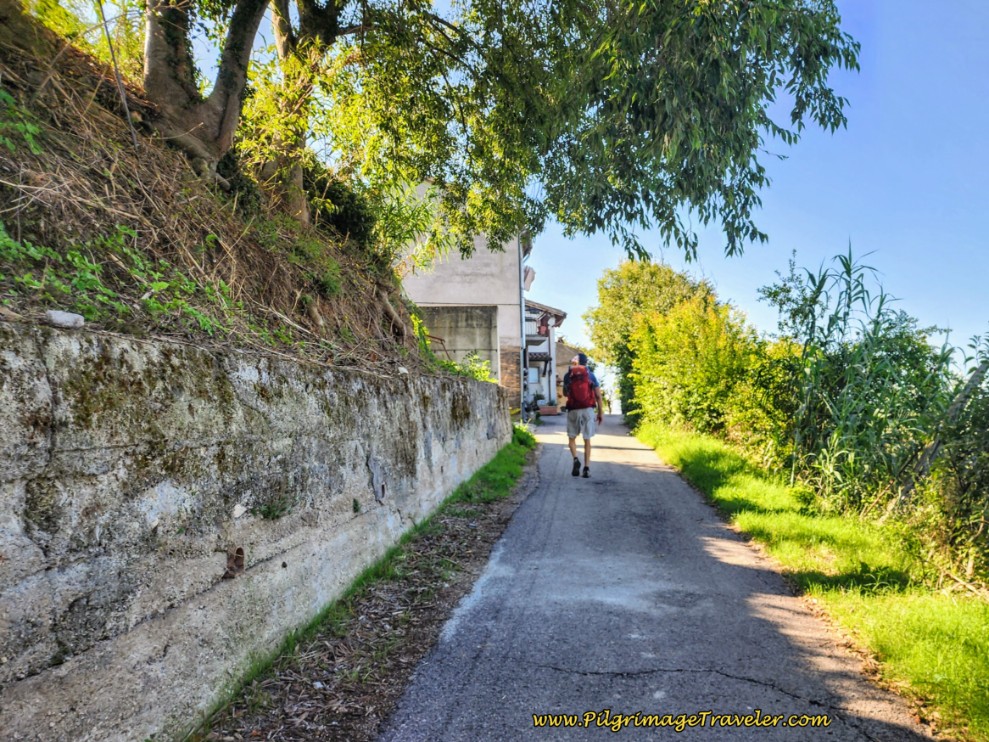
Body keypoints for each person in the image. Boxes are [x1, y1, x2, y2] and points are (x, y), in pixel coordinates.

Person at [562, 353, 604, 478]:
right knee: (587, 440)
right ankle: (586, 469)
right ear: (586, 363)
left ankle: (575, 459)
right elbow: (598, 396)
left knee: (571, 439)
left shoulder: (568, 375)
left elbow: (565, 394)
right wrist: (600, 412)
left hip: (573, 409)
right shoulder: (591, 375)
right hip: (587, 409)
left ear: (576, 361)